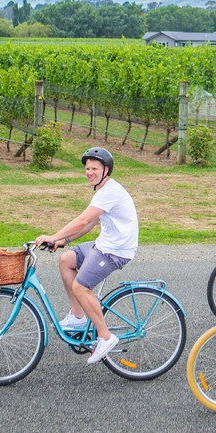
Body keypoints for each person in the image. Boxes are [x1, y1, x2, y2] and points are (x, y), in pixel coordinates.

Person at [35, 147, 138, 366]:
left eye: (94, 168)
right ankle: (78, 318)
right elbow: (90, 223)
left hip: (116, 250)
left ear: (106, 170)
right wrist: (63, 241)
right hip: (105, 244)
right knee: (66, 260)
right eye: (87, 168)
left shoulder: (110, 190)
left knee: (81, 287)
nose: (89, 172)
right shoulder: (102, 190)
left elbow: (82, 221)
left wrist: (53, 235)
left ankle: (105, 336)